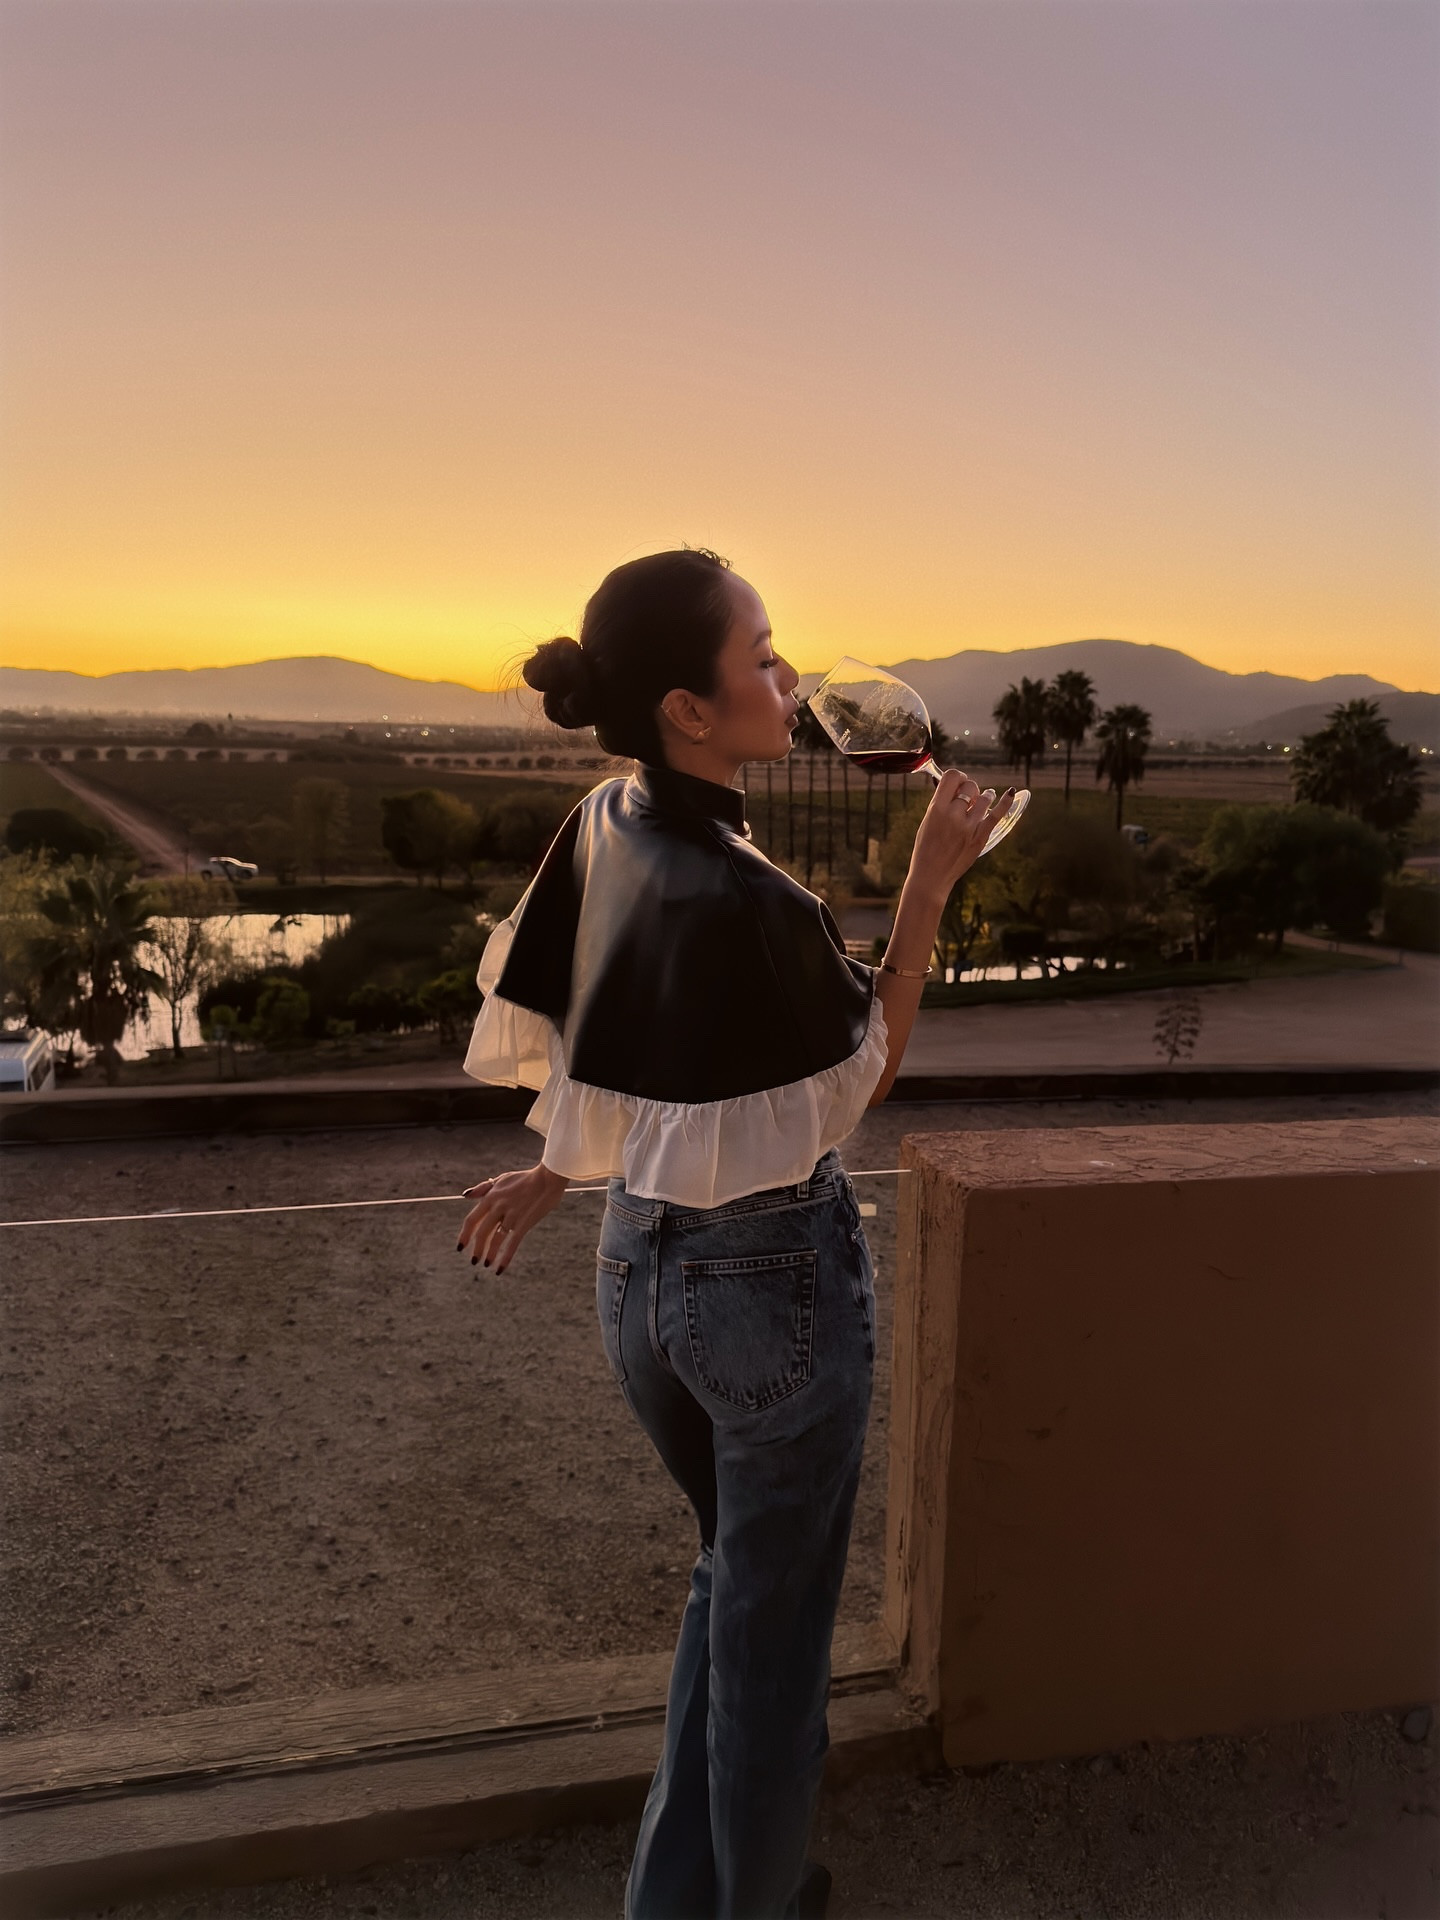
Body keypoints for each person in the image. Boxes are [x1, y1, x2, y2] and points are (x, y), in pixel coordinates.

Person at [456, 549, 1009, 1920]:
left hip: (634, 1273)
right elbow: (854, 1082)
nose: (790, 678)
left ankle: (676, 1895)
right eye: (762, 656)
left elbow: (616, 1030)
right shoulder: (766, 908)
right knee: (773, 1663)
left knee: (733, 1583)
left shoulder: (605, 816)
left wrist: (558, 1169)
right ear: (688, 711)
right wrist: (934, 884)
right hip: (764, 1292)